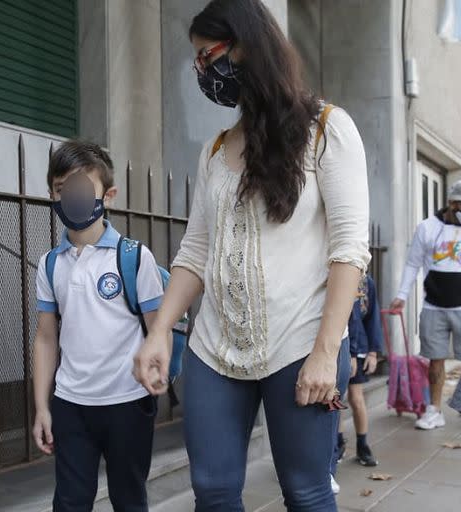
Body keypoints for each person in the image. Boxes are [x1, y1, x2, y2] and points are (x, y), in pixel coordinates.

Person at [133, 1, 370, 510]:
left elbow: (349, 249)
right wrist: (159, 331)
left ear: (247, 46)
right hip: (215, 349)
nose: (202, 71)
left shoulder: (328, 129)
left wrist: (327, 352)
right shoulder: (216, 150)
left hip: (300, 346)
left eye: (207, 56)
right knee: (214, 492)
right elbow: (195, 251)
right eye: (196, 61)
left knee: (306, 493)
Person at [32, 140, 164, 512]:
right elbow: (45, 339)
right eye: (61, 189)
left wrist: (158, 373)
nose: (69, 196)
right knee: (70, 502)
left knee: (129, 500)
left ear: (108, 196)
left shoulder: (135, 258)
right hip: (71, 406)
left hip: (128, 402)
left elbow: (159, 329)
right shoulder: (49, 264)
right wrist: (42, 406)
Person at [389, 179, 461, 430]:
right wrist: (402, 295)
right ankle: (434, 411)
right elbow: (412, 264)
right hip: (434, 307)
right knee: (436, 361)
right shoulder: (428, 228)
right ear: (451, 203)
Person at [337, 274, 384, 467]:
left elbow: (371, 317)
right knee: (335, 399)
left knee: (356, 398)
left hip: (359, 349)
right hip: (338, 348)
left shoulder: (367, 282)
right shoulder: (338, 276)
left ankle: (363, 445)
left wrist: (372, 352)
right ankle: (337, 444)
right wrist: (351, 354)